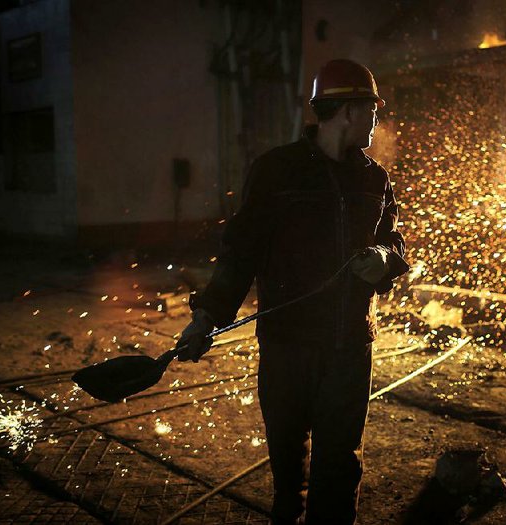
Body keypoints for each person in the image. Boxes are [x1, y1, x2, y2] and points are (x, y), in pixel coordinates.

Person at [175, 58, 409, 525]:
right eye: (372, 111)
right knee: (289, 467)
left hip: (348, 347)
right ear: (347, 111)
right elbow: (242, 254)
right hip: (286, 346)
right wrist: (206, 318)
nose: (377, 120)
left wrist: (385, 258)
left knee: (339, 467)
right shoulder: (277, 172)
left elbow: (393, 241)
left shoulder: (374, 180)